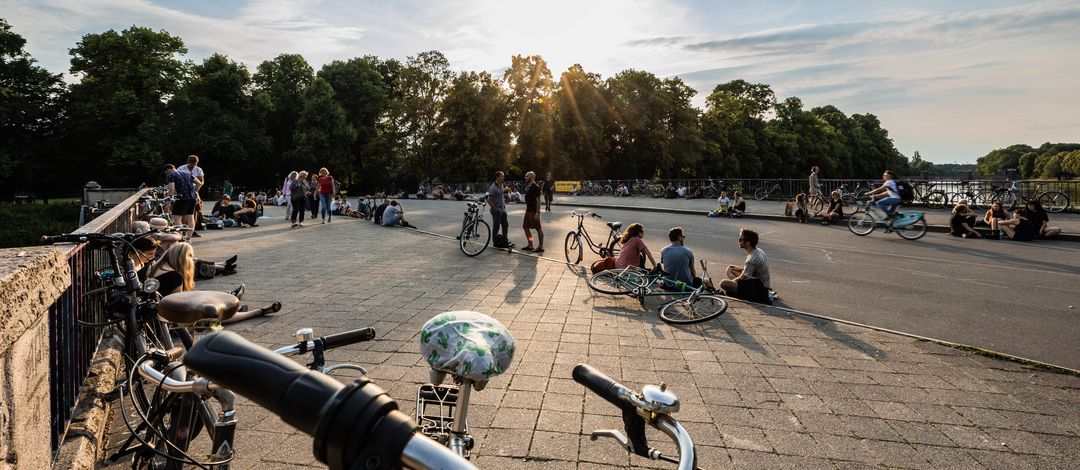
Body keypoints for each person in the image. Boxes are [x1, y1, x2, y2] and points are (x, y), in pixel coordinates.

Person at [720, 228, 772, 304]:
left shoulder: (751, 260)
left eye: (740, 239)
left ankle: (740, 291)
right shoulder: (758, 251)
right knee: (731, 269)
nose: (738, 241)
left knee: (723, 283)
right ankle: (737, 289)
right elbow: (752, 270)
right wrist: (740, 269)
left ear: (748, 243)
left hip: (759, 288)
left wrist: (730, 283)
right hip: (758, 281)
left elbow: (742, 278)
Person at [164, 164, 197, 238]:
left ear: (168, 170)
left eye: (165, 172)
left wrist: (168, 203)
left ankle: (180, 238)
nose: (166, 174)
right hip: (192, 198)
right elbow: (199, 183)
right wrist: (195, 191)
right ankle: (188, 238)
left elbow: (171, 190)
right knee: (190, 218)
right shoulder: (187, 173)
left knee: (177, 217)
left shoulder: (171, 176)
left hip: (181, 199)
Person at [177, 155, 205, 238]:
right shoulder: (181, 169)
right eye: (191, 164)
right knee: (184, 212)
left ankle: (192, 230)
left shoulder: (198, 169)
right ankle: (184, 230)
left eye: (194, 164)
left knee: (195, 211)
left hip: (194, 190)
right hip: (184, 192)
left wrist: (196, 191)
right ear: (188, 162)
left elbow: (201, 181)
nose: (192, 166)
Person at [521, 171, 544, 253]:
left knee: (538, 228)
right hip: (528, 210)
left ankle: (540, 247)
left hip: (534, 211)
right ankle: (530, 244)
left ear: (531, 177)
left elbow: (538, 201)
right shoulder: (528, 186)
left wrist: (537, 213)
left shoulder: (535, 187)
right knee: (525, 227)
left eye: (527, 176)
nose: (525, 178)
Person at [487, 171, 510, 246]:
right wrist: (496, 209)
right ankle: (495, 242)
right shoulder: (493, 187)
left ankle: (504, 240)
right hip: (496, 210)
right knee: (496, 226)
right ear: (497, 177)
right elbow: (489, 200)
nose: (504, 177)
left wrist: (505, 200)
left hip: (503, 209)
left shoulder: (502, 184)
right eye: (502, 176)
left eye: (503, 176)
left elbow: (501, 195)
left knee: (505, 225)